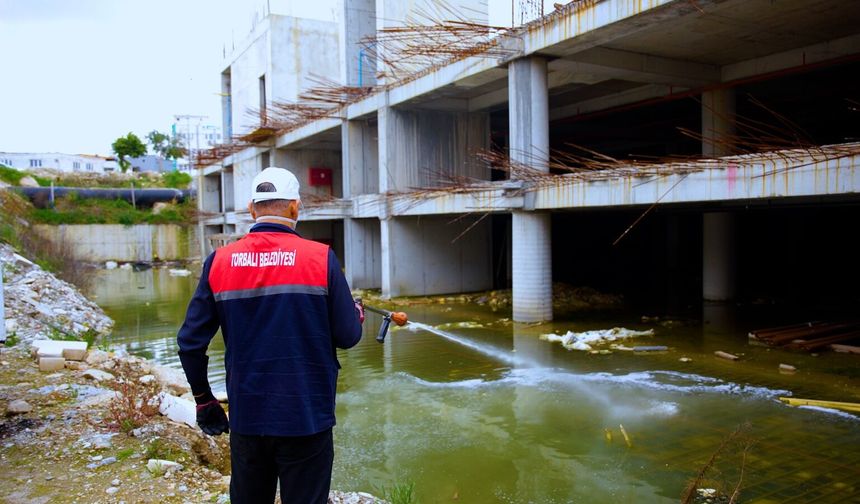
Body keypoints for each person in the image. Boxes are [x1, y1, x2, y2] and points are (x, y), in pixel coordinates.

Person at [177, 166, 364, 504]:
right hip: (306, 418)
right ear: (295, 207)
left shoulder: (219, 261)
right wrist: (357, 314)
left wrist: (205, 401)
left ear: (252, 209)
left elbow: (190, 343)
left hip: (248, 419)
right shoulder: (321, 259)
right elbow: (348, 335)